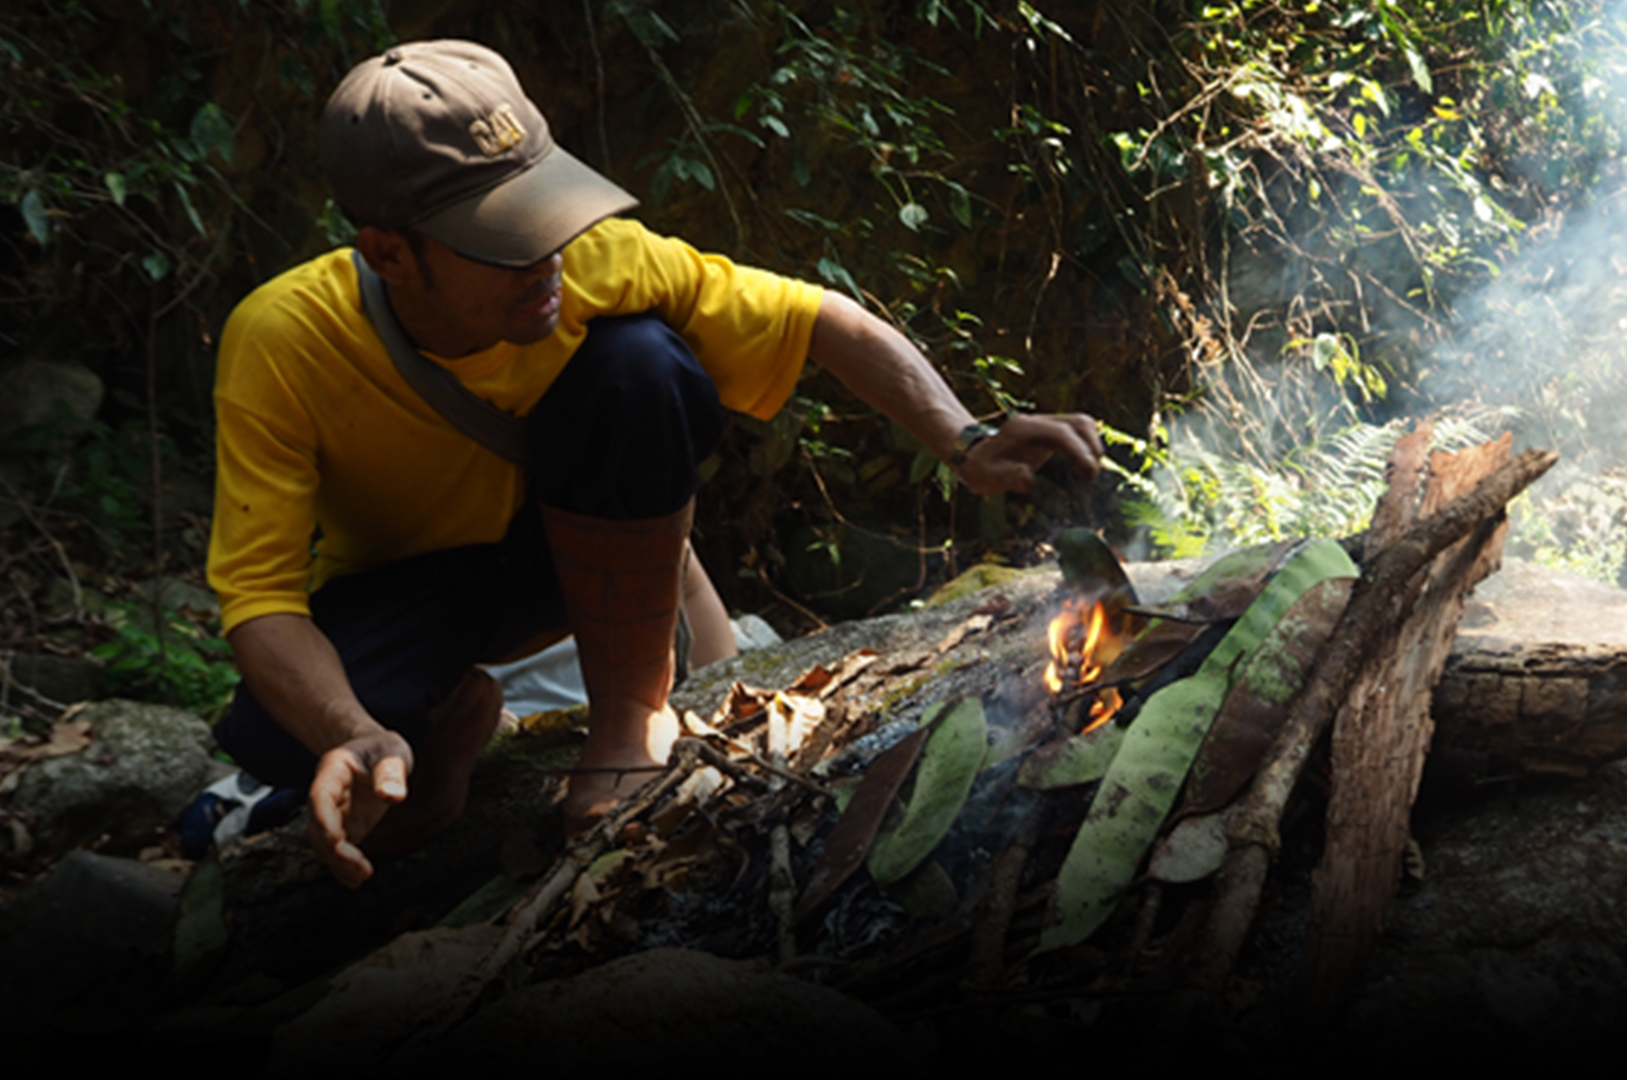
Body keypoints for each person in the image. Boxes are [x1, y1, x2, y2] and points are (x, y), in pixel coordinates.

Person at [205, 40, 1101, 888]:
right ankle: (443, 734)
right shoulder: (285, 339)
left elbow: (816, 318)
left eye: (545, 212)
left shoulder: (594, 264)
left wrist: (965, 440)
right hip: (414, 592)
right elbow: (261, 598)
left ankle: (629, 719)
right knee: (276, 733)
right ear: (390, 254)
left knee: (639, 363)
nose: (547, 259)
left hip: (568, 551)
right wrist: (353, 731)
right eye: (503, 239)